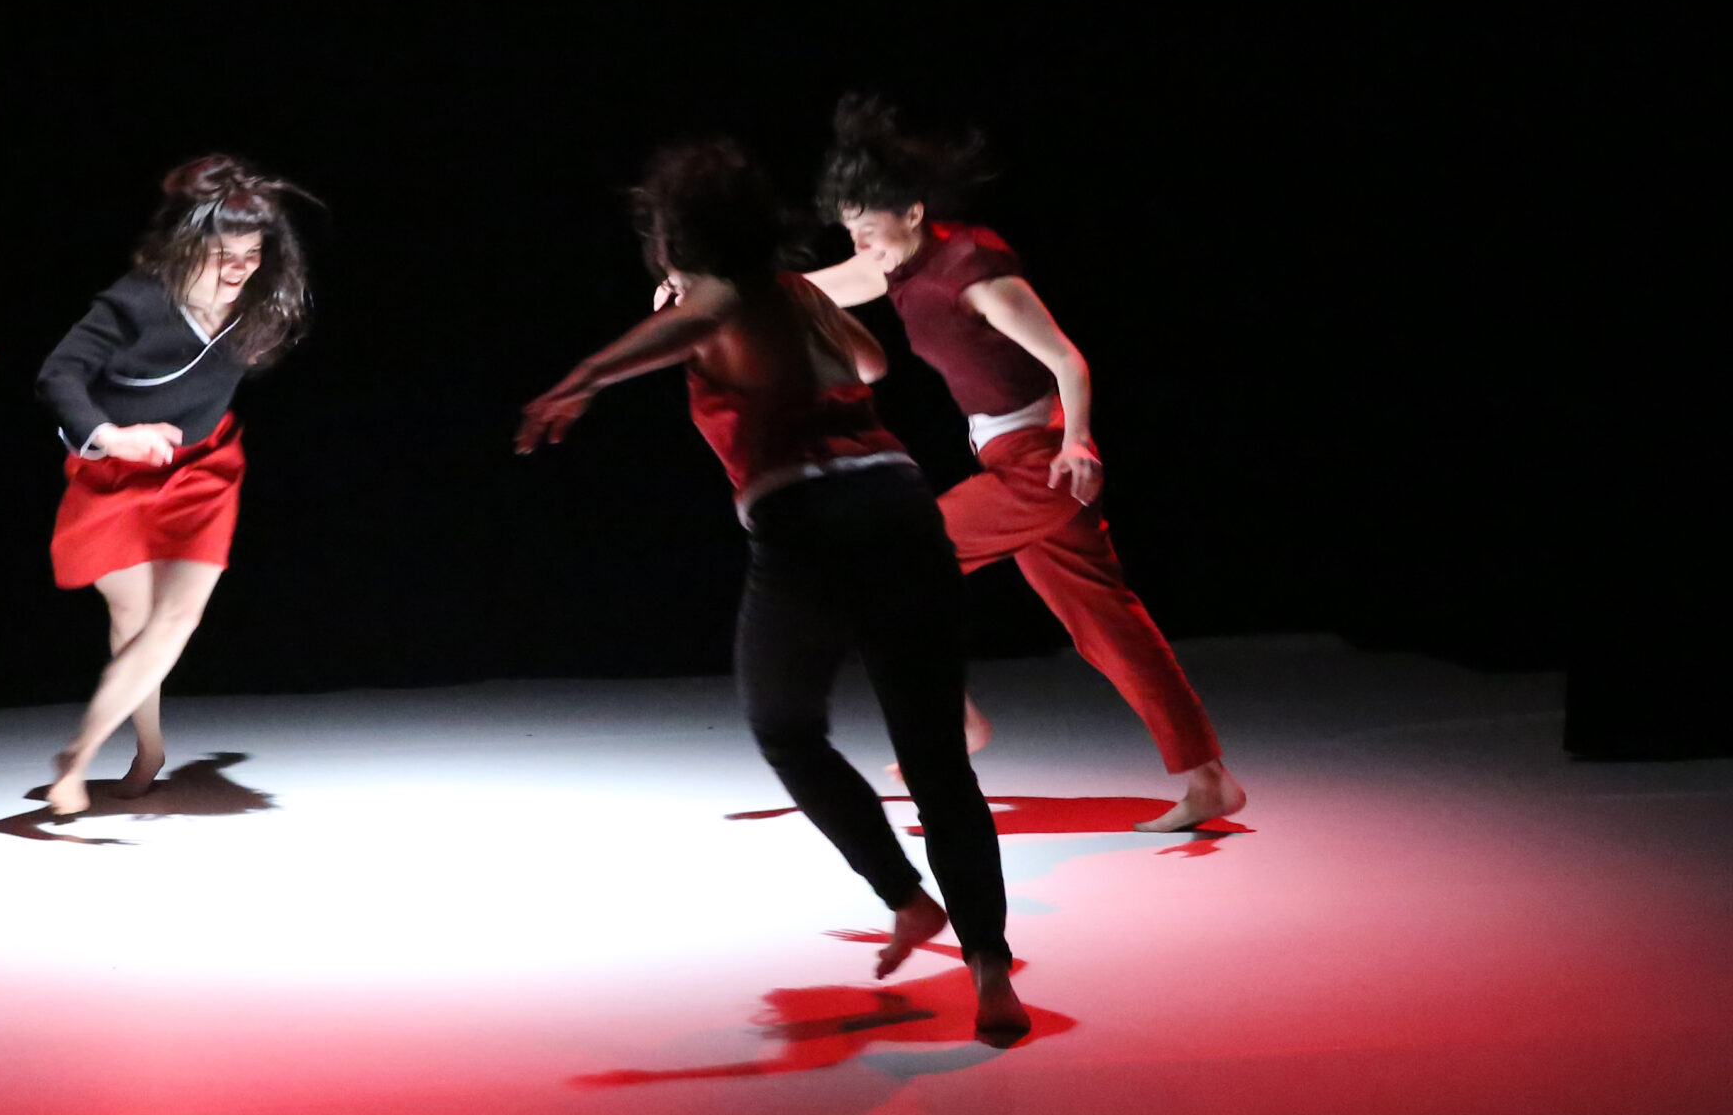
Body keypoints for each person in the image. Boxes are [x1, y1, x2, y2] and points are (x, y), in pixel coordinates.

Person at [519, 139, 1026, 1041]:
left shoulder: (717, 298)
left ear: (675, 242)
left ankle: (906, 896)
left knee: (786, 729)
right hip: (901, 504)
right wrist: (784, 326)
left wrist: (583, 379)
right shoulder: (793, 293)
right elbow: (872, 364)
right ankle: (991, 970)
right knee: (937, 759)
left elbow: (692, 324)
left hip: (808, 522)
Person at [805, 95, 1244, 832]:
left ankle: (958, 724)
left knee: (893, 563)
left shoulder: (973, 273)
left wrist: (1077, 443)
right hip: (1018, 458)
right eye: (849, 229)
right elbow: (815, 289)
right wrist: (709, 294)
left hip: (1038, 463)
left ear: (912, 212)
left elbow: (1067, 360)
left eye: (866, 227)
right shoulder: (898, 264)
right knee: (1108, 625)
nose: (858, 242)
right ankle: (1210, 780)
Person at [33, 156, 314, 820]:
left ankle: (76, 757)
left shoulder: (259, 306)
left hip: (204, 470)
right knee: (133, 618)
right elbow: (58, 376)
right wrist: (111, 435)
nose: (239, 268)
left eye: (252, 253)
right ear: (185, 246)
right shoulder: (137, 301)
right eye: (222, 254)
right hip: (116, 472)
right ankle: (150, 747)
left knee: (177, 618)